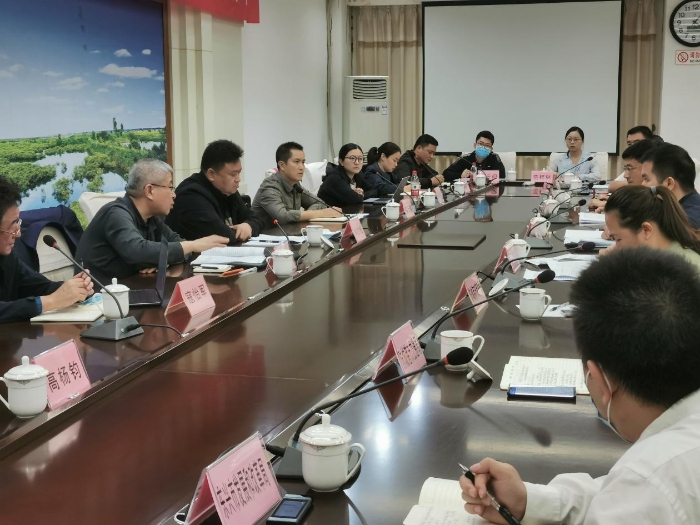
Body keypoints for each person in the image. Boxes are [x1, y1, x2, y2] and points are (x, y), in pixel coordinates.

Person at [461, 246, 700, 524]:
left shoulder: (651, 481)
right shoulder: (658, 471)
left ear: (599, 380)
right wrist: (528, 502)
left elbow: (637, 493)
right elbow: (618, 495)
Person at [76, 159, 228, 284]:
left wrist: (160, 260)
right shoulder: (116, 214)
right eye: (170, 187)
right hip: (101, 300)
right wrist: (193, 245)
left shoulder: (151, 218)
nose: (174, 195)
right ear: (149, 191)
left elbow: (178, 244)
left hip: (135, 290)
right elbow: (137, 251)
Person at [0, 176, 94, 323]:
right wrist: (51, 301)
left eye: (18, 223)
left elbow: (38, 286)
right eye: (12, 226)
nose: (18, 234)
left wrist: (72, 289)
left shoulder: (8, 257)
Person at [166, 140, 263, 243]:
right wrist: (243, 231)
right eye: (233, 174)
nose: (238, 179)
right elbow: (223, 236)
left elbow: (257, 219)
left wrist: (248, 226)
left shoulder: (227, 190)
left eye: (239, 173)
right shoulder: (190, 195)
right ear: (211, 174)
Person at [601, 184, 700, 272]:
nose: (616, 248)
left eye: (618, 239)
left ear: (646, 230)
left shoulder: (680, 271)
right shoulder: (658, 260)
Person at [251, 142, 342, 228]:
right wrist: (320, 213)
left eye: (303, 162)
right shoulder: (269, 187)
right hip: (266, 236)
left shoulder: (295, 185)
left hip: (289, 234)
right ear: (282, 165)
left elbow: (319, 203)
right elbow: (282, 217)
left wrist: (308, 214)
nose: (302, 167)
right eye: (296, 161)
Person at [639, 143, 700, 228]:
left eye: (646, 179)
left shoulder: (685, 224)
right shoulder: (676, 211)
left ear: (669, 183)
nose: (642, 185)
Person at [589, 140, 657, 212]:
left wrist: (610, 205)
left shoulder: (658, 193)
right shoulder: (643, 192)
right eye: (625, 169)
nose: (625, 175)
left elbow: (645, 209)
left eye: (629, 168)